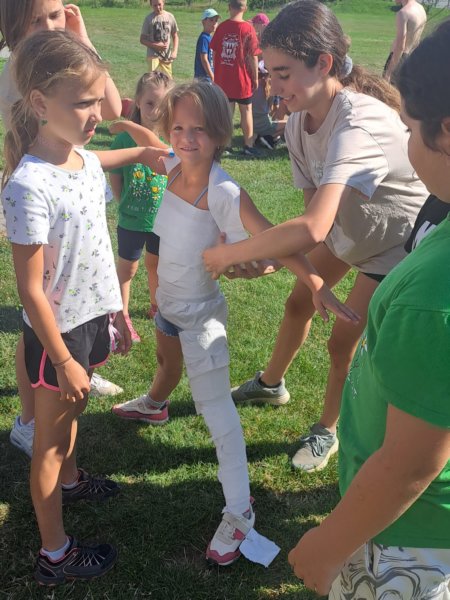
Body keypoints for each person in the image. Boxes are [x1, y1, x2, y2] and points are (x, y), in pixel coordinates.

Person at [111, 80, 359, 565]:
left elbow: (274, 237)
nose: (186, 138)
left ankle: (241, 510)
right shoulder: (171, 165)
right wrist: (72, 157)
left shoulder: (223, 191)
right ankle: (155, 405)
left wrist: (316, 283)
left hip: (201, 319)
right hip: (167, 307)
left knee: (217, 415)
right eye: (178, 128)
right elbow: (144, 147)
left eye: (199, 130)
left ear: (220, 134)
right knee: (165, 363)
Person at [203, 0, 428, 472]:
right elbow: (311, 226)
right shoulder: (298, 123)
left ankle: (328, 429)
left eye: (283, 74)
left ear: (323, 64)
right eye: (269, 72)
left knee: (342, 341)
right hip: (351, 230)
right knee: (298, 303)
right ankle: (271, 384)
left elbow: (312, 228)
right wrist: (276, 260)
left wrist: (230, 254)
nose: (272, 85)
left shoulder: (356, 122)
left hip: (395, 242)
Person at [287, 19, 450, 598]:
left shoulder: (431, 295)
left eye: (408, 127)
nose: (404, 142)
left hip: (408, 536)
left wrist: (328, 545)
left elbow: (409, 465)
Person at [0, 29, 156, 585]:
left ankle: (70, 481)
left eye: (98, 99)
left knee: (72, 418)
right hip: (56, 338)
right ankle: (55, 554)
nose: (97, 114)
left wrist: (116, 311)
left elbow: (125, 158)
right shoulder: (28, 186)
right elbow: (30, 290)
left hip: (89, 321)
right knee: (49, 442)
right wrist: (64, 359)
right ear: (40, 103)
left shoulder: (84, 161)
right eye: (83, 103)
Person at [0, 0, 124, 459]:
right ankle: (31, 417)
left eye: (57, 15)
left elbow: (112, 107)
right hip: (42, 201)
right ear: (14, 26)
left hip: (67, 189)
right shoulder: (20, 74)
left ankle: (74, 363)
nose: (50, 26)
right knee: (37, 319)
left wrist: (81, 37)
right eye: (37, 20)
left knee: (65, 299)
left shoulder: (66, 63)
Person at [109, 71, 172, 341]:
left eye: (162, 104)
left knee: (155, 264)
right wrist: (122, 200)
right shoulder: (123, 141)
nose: (155, 111)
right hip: (131, 220)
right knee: (128, 269)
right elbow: (115, 174)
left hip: (162, 221)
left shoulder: (172, 138)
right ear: (137, 101)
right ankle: (121, 315)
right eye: (149, 103)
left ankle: (156, 306)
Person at [210, 0, 260, 156]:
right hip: (242, 80)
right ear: (245, 8)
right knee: (246, 111)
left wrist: (218, 72)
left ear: (229, 7)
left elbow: (215, 53)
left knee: (227, 112)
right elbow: (253, 56)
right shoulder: (248, 29)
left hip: (224, 79)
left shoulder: (221, 27)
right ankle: (248, 145)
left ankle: (226, 145)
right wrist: (255, 78)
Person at [383, 0, 426, 84]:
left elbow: (400, 46)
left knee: (388, 90)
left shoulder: (403, 13)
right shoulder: (421, 9)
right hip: (412, 56)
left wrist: (389, 72)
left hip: (399, 58)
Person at [140, 0, 179, 78]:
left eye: (159, 4)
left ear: (163, 3)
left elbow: (175, 36)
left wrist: (174, 52)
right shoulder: (149, 19)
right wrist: (155, 46)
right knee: (153, 79)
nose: (158, 7)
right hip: (153, 55)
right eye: (155, 5)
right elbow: (142, 39)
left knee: (168, 79)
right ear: (151, 4)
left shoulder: (170, 16)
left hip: (166, 55)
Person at [194, 8, 220, 82]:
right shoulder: (204, 38)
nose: (214, 23)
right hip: (203, 78)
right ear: (203, 22)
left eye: (216, 20)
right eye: (211, 20)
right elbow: (204, 59)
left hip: (208, 77)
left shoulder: (210, 38)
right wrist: (212, 76)